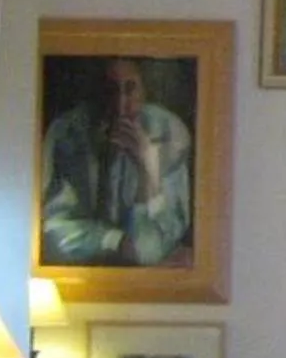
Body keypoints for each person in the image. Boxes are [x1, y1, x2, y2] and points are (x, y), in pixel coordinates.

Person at [39, 57, 193, 266]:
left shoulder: (169, 133)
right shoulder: (66, 133)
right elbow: (51, 233)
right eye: (110, 91)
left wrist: (147, 174)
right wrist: (115, 241)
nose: (120, 107)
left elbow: (150, 248)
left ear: (144, 91)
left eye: (130, 89)